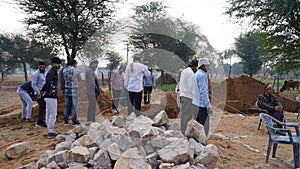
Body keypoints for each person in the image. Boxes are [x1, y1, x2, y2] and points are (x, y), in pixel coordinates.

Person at [41, 57, 62, 139]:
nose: (59, 65)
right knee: (53, 113)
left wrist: (42, 91)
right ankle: (51, 131)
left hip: (49, 95)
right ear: (53, 64)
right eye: (58, 64)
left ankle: (50, 129)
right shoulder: (52, 72)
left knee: (49, 112)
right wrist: (42, 91)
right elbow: (48, 83)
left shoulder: (52, 72)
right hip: (51, 95)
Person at [178, 59, 199, 134]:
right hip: (188, 96)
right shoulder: (190, 74)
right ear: (194, 67)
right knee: (188, 115)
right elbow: (191, 87)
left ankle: (182, 130)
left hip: (183, 95)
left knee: (184, 114)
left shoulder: (184, 71)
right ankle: (185, 132)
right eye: (197, 68)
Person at [192, 58, 211, 136]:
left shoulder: (196, 74)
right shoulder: (202, 75)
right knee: (204, 126)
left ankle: (197, 142)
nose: (208, 68)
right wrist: (208, 105)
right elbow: (203, 92)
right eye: (207, 66)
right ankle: (202, 142)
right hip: (202, 105)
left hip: (195, 104)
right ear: (203, 66)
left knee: (197, 124)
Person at [63, 59, 81, 126]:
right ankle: (74, 121)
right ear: (74, 64)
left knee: (66, 106)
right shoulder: (76, 70)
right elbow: (80, 79)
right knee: (74, 106)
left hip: (67, 88)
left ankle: (65, 121)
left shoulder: (64, 70)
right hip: (74, 88)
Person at [32, 61, 47, 127]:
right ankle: (39, 122)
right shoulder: (35, 74)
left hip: (44, 93)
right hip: (38, 93)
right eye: (41, 67)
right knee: (42, 106)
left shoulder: (46, 72)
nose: (42, 68)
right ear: (38, 66)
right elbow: (33, 84)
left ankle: (41, 121)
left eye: (43, 67)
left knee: (44, 107)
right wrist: (38, 92)